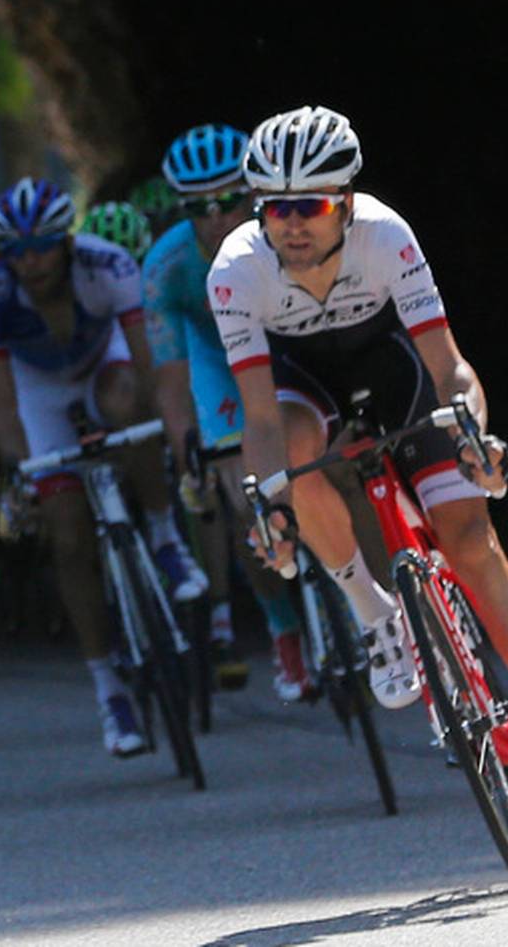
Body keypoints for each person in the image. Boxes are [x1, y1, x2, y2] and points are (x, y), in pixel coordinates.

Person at [212, 107, 508, 825]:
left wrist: (472, 437)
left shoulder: (386, 236)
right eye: (276, 207)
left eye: (312, 205)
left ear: (348, 203)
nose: (293, 223)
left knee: (468, 540)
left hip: (397, 371)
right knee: (295, 461)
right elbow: (262, 419)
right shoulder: (235, 271)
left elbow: (449, 367)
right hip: (302, 385)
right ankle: (374, 612)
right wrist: (270, 503)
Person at [0, 176, 207, 758]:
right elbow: (2, 408)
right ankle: (109, 690)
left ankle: (163, 534)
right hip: (38, 389)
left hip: (107, 363)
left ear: (67, 242)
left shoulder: (111, 266)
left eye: (44, 246)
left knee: (129, 405)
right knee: (69, 534)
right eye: (18, 252)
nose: (32, 262)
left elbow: (150, 368)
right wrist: (26, 470)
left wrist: (164, 434)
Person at [144, 123, 312, 700]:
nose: (216, 217)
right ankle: (285, 629)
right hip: (216, 361)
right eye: (198, 207)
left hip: (288, 337)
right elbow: (170, 378)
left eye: (228, 201)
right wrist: (186, 444)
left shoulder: (288, 235)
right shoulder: (166, 267)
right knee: (246, 498)